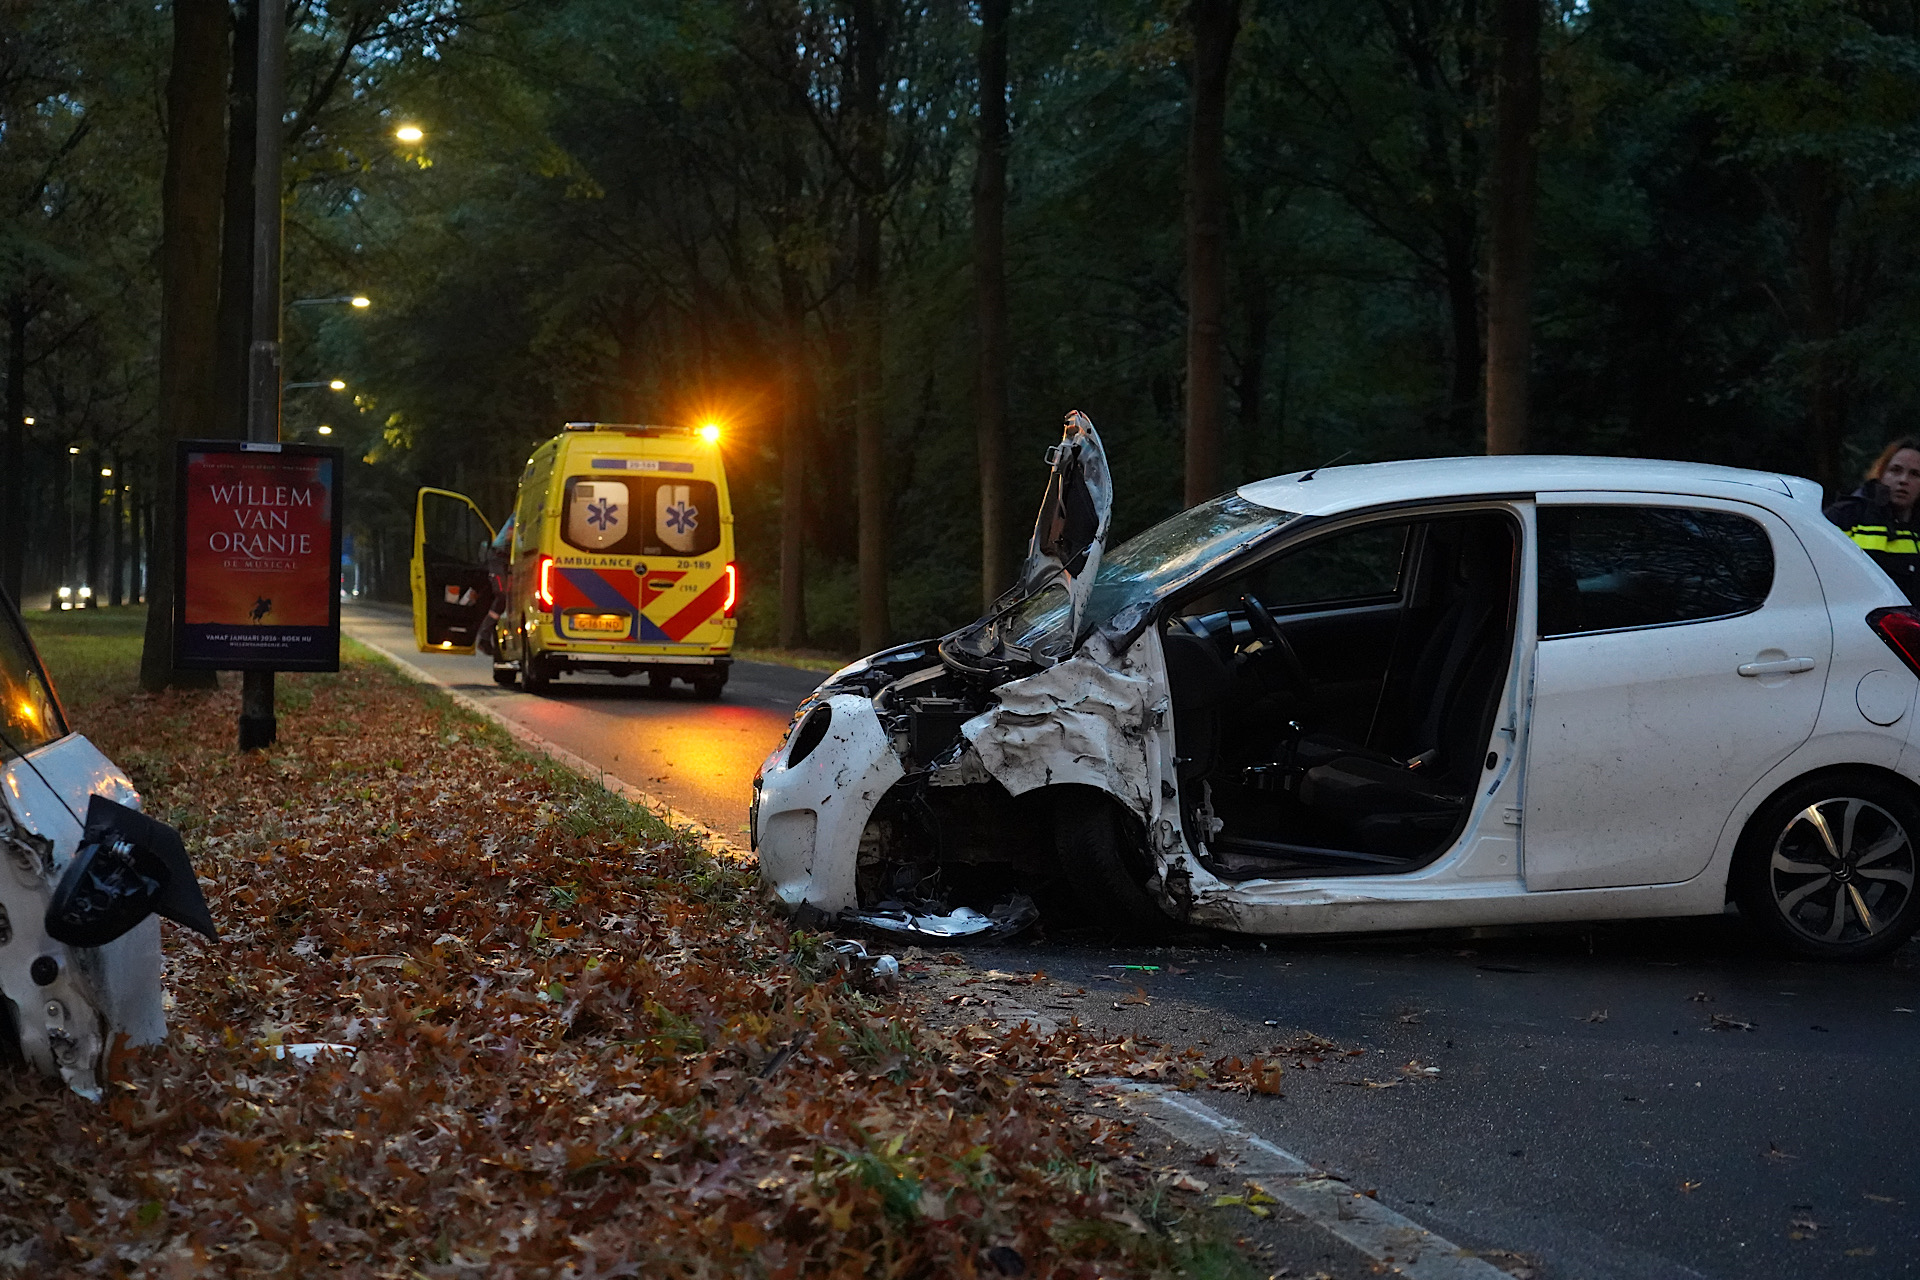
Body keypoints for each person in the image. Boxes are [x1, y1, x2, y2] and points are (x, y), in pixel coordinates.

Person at [1825, 438, 1920, 603]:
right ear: (1881, 473)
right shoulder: (1846, 516)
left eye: (1915, 474)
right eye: (1895, 470)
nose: (1903, 480)